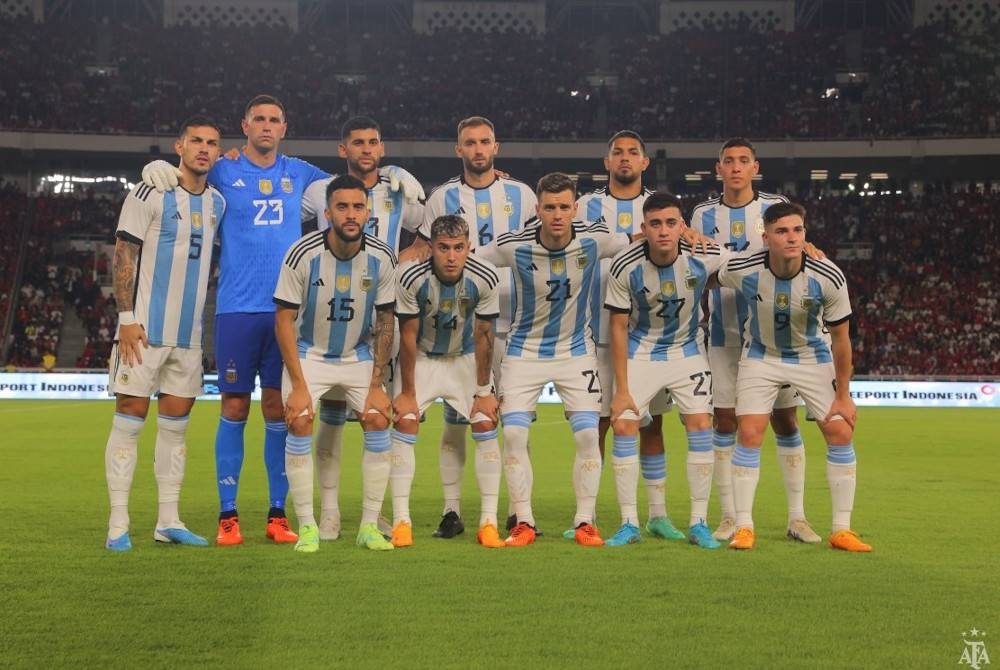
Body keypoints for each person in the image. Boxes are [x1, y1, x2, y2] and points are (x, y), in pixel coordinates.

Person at [140, 95, 423, 546]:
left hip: (287, 315)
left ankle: (277, 514)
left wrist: (394, 176)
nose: (267, 127)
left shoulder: (305, 177)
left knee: (281, 410)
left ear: (284, 127)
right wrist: (157, 169)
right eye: (259, 120)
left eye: (275, 120)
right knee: (233, 407)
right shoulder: (224, 169)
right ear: (245, 125)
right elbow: (190, 171)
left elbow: (354, 187)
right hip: (236, 307)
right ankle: (228, 515)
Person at [476, 172, 631, 547]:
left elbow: (636, 242)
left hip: (576, 351)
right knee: (513, 433)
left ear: (575, 208)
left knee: (587, 435)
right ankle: (524, 522)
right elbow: (472, 261)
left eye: (564, 207)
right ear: (537, 209)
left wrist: (690, 238)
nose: (557, 215)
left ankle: (584, 523)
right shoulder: (513, 245)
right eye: (550, 207)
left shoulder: (596, 238)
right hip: (523, 352)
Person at [401, 116, 537, 539]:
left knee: (513, 423)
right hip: (460, 326)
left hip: (517, 324)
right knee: (458, 420)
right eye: (469, 143)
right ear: (458, 149)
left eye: (484, 142)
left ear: (496, 147)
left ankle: (519, 512)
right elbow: (424, 250)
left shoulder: (523, 195)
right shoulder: (443, 197)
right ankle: (452, 510)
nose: (478, 149)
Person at [709, 202, 871, 552]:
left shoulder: (828, 275)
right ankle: (744, 526)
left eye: (798, 230)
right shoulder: (745, 268)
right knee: (750, 432)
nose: (792, 237)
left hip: (811, 356)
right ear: (765, 237)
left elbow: (842, 339)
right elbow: (707, 276)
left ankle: (842, 529)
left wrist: (844, 393)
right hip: (761, 356)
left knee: (840, 429)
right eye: (782, 231)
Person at [688, 138, 820, 544]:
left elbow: (799, 249)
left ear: (755, 167)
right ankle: (730, 516)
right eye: (729, 161)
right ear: (719, 169)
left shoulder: (774, 206)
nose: (736, 168)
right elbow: (698, 267)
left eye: (744, 161)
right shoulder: (702, 214)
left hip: (776, 336)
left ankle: (797, 517)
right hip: (725, 335)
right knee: (725, 421)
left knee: (785, 421)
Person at [300, 116, 425, 541]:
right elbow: (278, 209)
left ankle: (379, 513)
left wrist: (408, 255)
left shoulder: (398, 192)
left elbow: (431, 228)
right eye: (358, 143)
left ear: (382, 148)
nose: (366, 149)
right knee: (331, 420)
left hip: (382, 319)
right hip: (332, 317)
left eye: (373, 142)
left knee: (379, 419)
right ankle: (330, 512)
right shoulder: (319, 192)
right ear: (343, 150)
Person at [103, 115, 225, 551]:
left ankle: (167, 520)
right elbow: (123, 254)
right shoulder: (150, 191)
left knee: (176, 431)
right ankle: (118, 523)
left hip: (189, 339)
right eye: (196, 141)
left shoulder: (218, 204)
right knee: (129, 424)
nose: (204, 149)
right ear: (179, 146)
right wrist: (125, 319)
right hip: (144, 333)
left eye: (212, 142)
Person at [272, 175, 397, 553]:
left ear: (368, 212)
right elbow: (283, 320)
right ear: (327, 213)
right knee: (300, 420)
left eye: (358, 206)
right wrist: (298, 385)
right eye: (341, 206)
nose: (350, 214)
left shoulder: (382, 257)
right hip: (310, 353)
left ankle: (368, 525)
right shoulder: (302, 253)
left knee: (377, 417)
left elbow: (387, 322)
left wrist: (377, 383)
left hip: (357, 354)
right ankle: (308, 525)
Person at [575, 130, 684, 541]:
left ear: (644, 163)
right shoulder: (586, 206)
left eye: (632, 153)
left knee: (650, 425)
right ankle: (589, 516)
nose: (624, 158)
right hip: (594, 331)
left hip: (648, 337)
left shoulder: (659, 207)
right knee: (599, 425)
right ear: (606, 162)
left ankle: (657, 514)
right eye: (617, 153)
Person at [604, 192, 724, 549]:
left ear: (682, 227)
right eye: (655, 224)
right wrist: (622, 389)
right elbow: (617, 327)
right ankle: (629, 522)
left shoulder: (704, 258)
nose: (663, 231)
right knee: (625, 423)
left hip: (687, 350)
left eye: (671, 223)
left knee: (700, 424)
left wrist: (806, 245)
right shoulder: (624, 265)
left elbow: (755, 263)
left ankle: (699, 522)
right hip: (641, 351)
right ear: (644, 228)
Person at [392, 214, 504, 548]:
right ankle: (401, 522)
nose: (451, 256)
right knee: (406, 422)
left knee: (484, 422)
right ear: (432, 248)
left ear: (469, 247)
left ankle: (489, 522)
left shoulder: (485, 276)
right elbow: (407, 337)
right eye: (443, 248)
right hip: (424, 358)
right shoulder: (410, 276)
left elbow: (485, 334)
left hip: (465, 358)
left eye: (458, 248)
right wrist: (408, 393)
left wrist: (484, 391)